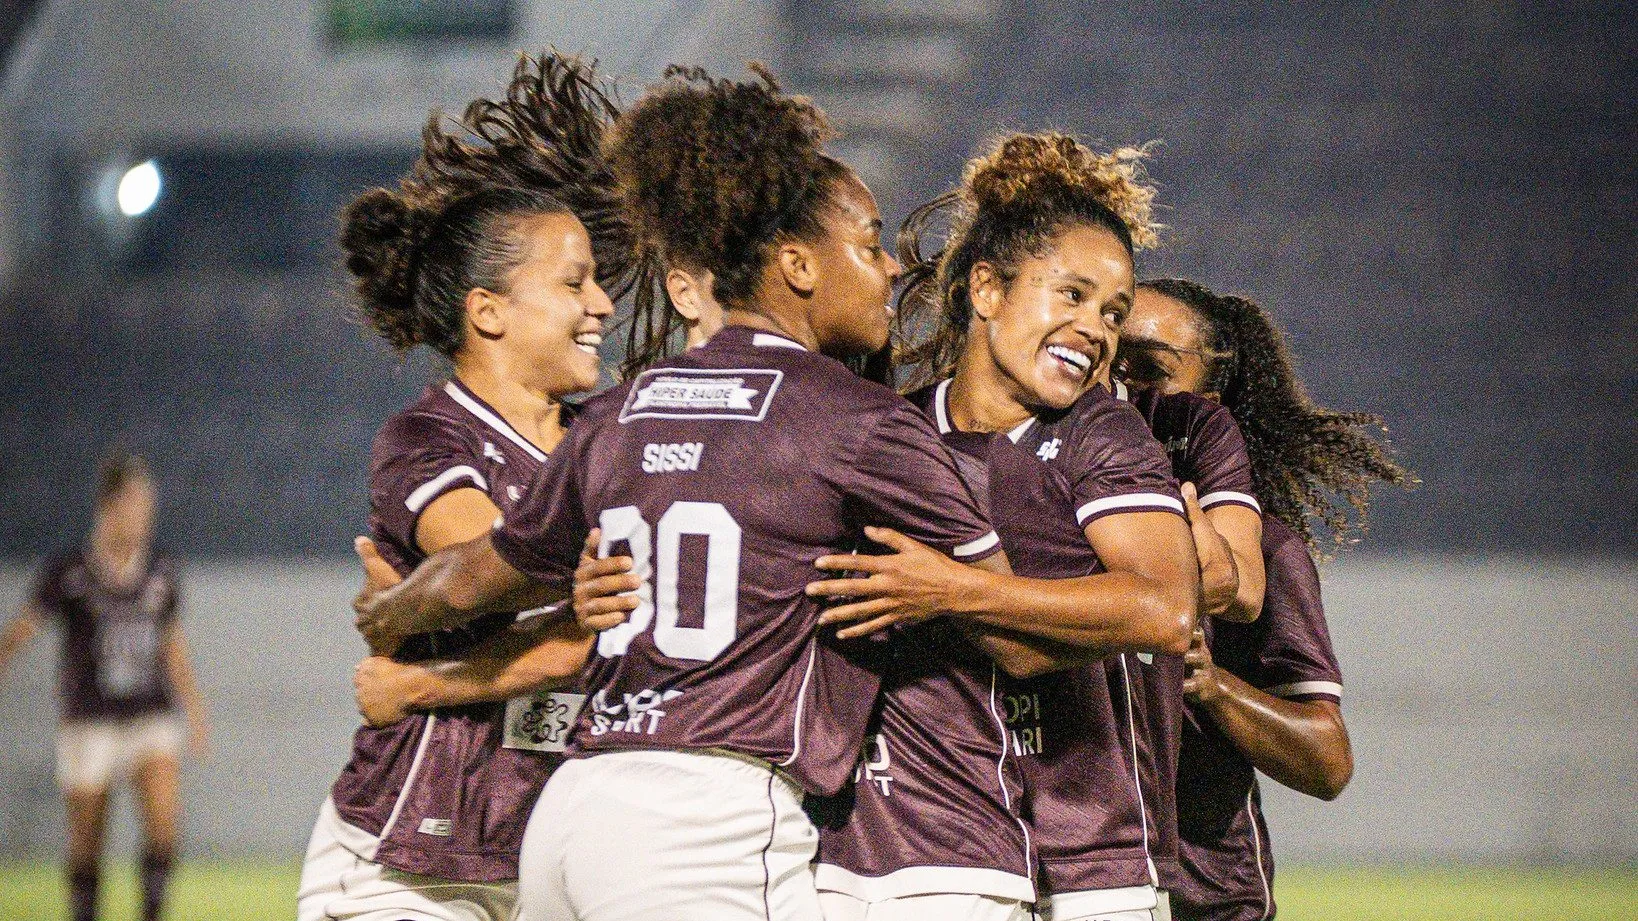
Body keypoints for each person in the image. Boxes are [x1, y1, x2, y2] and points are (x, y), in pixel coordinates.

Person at [350, 65, 1032, 921]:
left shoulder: (617, 411)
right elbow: (1018, 635)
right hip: (707, 819)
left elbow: (478, 573)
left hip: (572, 813)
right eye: (867, 244)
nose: (890, 268)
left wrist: (392, 611)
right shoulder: (859, 423)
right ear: (796, 265)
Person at [798, 133, 1203, 921]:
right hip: (931, 851)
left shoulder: (1103, 434)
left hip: (1094, 856)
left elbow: (1164, 609)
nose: (1095, 328)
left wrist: (950, 588)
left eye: (1112, 312)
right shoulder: (898, 431)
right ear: (987, 287)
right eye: (1072, 295)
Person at [295, 52, 621, 921]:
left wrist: (422, 675)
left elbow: (604, 623)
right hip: (410, 855)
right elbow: (498, 560)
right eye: (573, 282)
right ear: (489, 311)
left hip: (552, 853)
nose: (603, 304)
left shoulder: (605, 434)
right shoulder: (429, 437)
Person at [1115, 278, 1411, 920]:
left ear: (1206, 402)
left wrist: (1213, 686)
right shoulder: (1059, 514)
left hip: (1210, 902)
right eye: (1111, 355)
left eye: (1150, 368)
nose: (1121, 382)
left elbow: (1327, 760)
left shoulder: (1269, 554)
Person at [0, 450, 208, 921]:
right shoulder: (70, 571)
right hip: (90, 718)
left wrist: (194, 709)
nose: (144, 518)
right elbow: (23, 629)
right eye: (136, 506)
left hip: (149, 712)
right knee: (87, 840)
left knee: (162, 824)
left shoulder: (159, 571)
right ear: (110, 507)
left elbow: (171, 643)